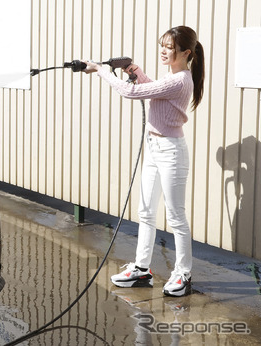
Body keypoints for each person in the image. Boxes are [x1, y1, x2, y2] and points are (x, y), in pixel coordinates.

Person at [83, 26, 205, 297]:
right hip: (153, 147)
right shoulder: (170, 76)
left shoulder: (181, 80)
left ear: (186, 52)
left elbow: (133, 93)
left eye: (169, 47)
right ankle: (141, 269)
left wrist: (101, 70)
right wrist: (135, 72)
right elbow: (151, 88)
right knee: (146, 211)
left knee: (175, 216)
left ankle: (183, 273)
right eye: (162, 45)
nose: (163, 50)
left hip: (171, 151)